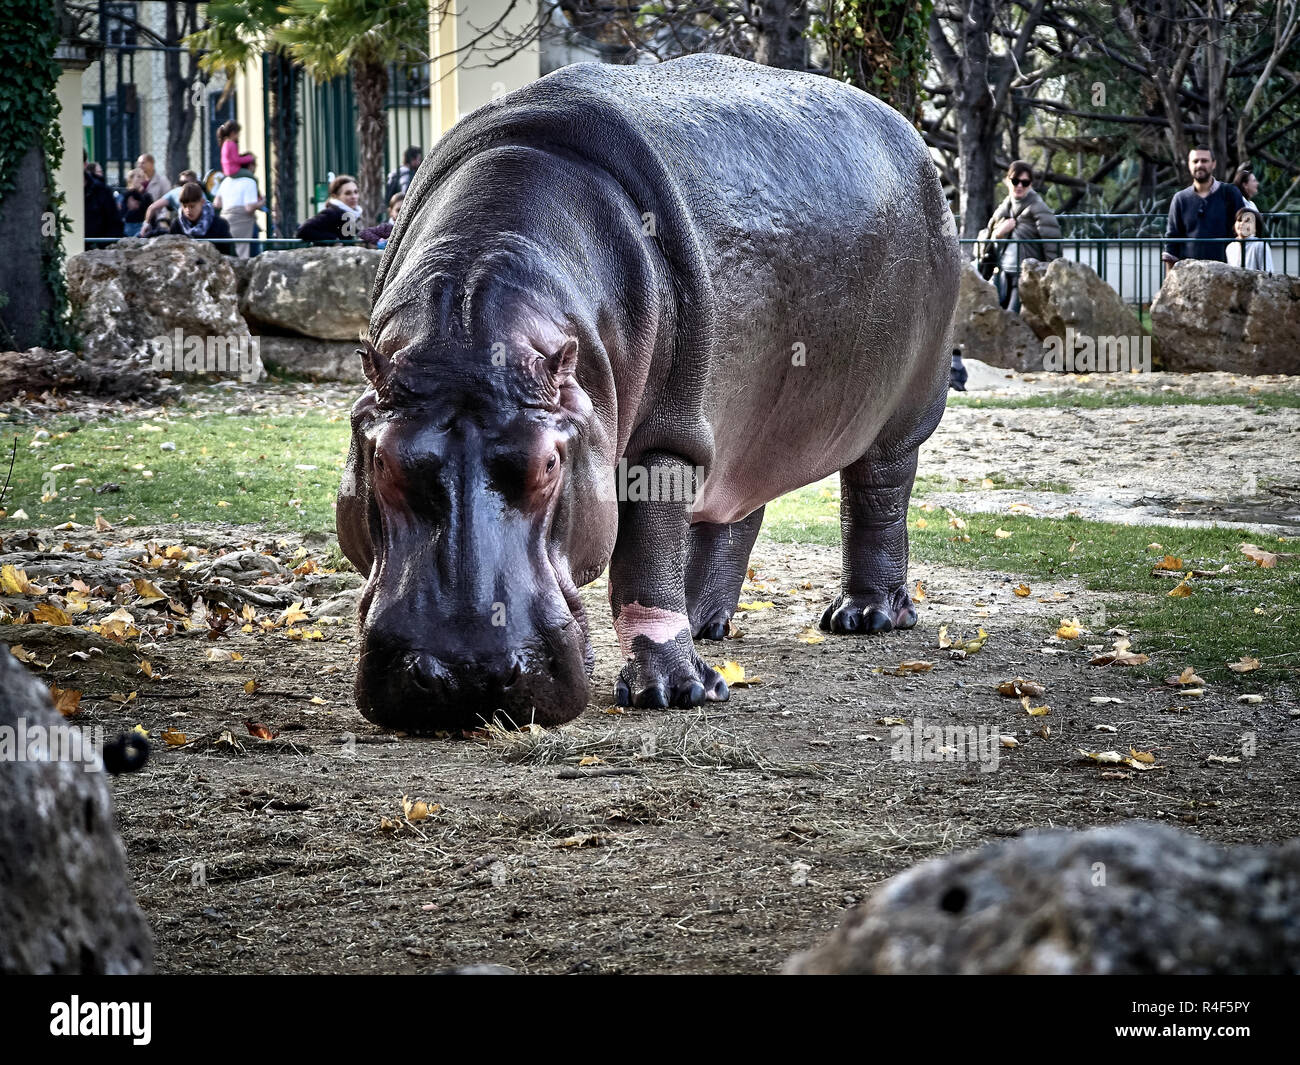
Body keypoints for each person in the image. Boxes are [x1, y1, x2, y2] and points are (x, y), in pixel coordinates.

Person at [983, 160, 1062, 312]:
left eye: (1024, 183)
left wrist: (1051, 276)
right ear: (1008, 181)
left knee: (1013, 317)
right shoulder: (1004, 208)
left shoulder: (1038, 207)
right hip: (1003, 272)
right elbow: (990, 238)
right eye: (1015, 181)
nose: (1019, 186)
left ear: (1030, 184)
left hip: (1027, 274)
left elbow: (1052, 243)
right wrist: (999, 232)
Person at [1163, 146, 1246, 271]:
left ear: (1213, 164)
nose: (1199, 165)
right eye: (1195, 161)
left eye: (1204, 161)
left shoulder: (1230, 193)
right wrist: (1169, 282)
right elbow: (1172, 242)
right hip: (1190, 275)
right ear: (1189, 165)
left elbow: (1244, 232)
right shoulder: (1180, 199)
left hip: (1226, 273)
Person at [214, 160, 266, 258]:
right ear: (250, 166)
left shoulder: (226, 180)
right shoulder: (250, 181)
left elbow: (217, 204)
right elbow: (249, 208)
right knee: (249, 259)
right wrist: (261, 203)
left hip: (225, 222)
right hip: (244, 225)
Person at [169, 181, 234, 253]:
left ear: (202, 202)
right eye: (185, 206)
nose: (188, 210)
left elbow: (227, 252)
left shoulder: (220, 224)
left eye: (192, 206)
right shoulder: (177, 225)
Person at [296, 175, 362, 241]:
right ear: (335, 196)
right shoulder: (332, 213)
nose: (354, 197)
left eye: (356, 192)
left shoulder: (353, 214)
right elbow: (304, 230)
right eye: (348, 193)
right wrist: (334, 239)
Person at [140, 169, 199, 236]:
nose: (188, 209)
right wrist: (146, 224)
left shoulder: (200, 195)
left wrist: (145, 225)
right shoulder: (175, 192)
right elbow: (152, 207)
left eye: (192, 206)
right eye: (181, 183)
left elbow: (152, 207)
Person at [1225, 207, 1274, 273]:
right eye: (1239, 220)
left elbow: (1268, 272)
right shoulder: (1230, 247)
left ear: (1255, 228)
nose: (1242, 224)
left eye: (1247, 221)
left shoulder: (1260, 245)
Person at [84, 163, 123, 239]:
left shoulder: (102, 190)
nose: (101, 174)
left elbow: (114, 221)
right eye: (99, 172)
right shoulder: (102, 189)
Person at [119, 168, 152, 237]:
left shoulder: (146, 195)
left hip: (141, 226)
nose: (141, 179)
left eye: (143, 177)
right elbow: (122, 213)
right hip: (128, 226)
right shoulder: (126, 195)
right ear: (131, 179)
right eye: (138, 176)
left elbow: (148, 212)